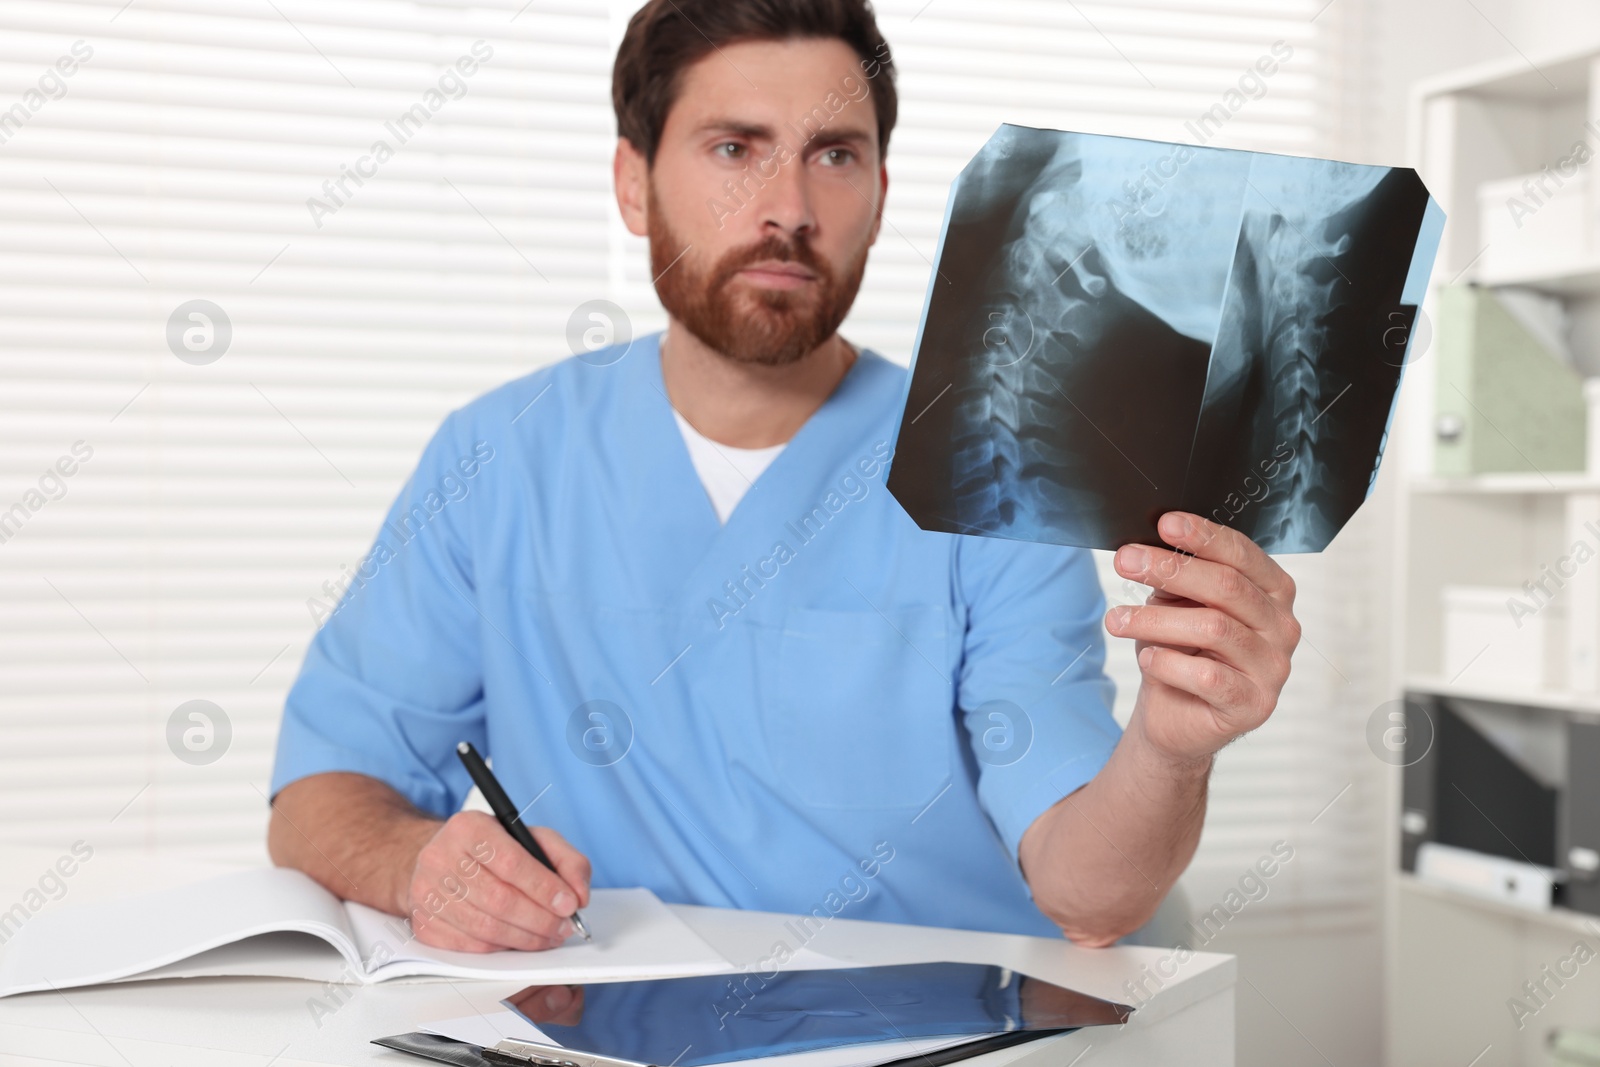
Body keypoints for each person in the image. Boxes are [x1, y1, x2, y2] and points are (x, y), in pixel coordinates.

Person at [267, 0, 1300, 954]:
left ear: (881, 195)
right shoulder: (496, 459)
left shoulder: (982, 470)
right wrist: (417, 864)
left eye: (834, 155)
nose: (789, 207)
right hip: (603, 1031)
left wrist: (1170, 746)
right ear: (633, 183)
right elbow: (318, 792)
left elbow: (1092, 894)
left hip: (934, 1038)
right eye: (733, 149)